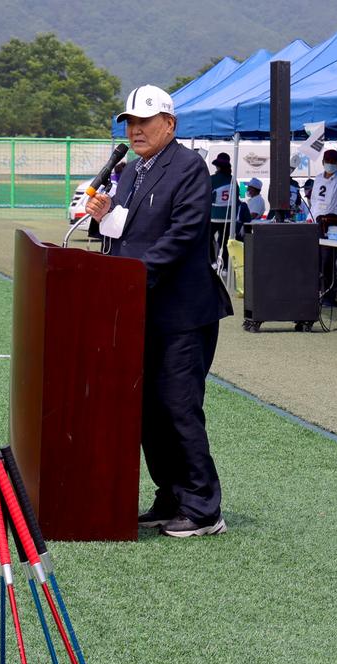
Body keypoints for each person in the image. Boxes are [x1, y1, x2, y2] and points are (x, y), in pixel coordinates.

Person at [86, 84, 232, 538]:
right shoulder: (130, 171)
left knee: (179, 407)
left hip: (183, 314)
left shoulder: (189, 168)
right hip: (141, 309)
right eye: (129, 122)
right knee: (148, 409)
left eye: (144, 122)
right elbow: (124, 229)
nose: (134, 130)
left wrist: (130, 276)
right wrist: (101, 213)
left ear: (169, 124)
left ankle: (205, 509)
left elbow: (183, 234)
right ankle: (171, 496)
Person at [309, 149, 337, 304]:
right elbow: (313, 200)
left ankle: (329, 296)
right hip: (316, 220)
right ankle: (316, 292)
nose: (330, 164)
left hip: (333, 223)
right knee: (315, 259)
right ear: (323, 162)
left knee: (328, 260)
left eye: (333, 161)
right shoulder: (317, 179)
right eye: (327, 161)